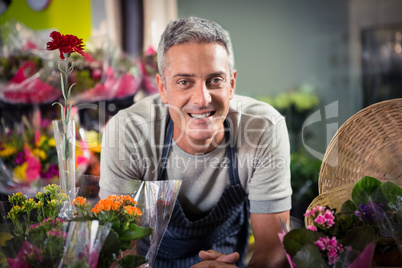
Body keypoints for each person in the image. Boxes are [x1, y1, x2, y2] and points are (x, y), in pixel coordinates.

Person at [99, 16, 292, 268]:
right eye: (184, 82)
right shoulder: (129, 133)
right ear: (163, 88)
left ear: (231, 85)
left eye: (215, 80)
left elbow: (273, 248)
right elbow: (119, 255)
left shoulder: (263, 128)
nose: (202, 99)